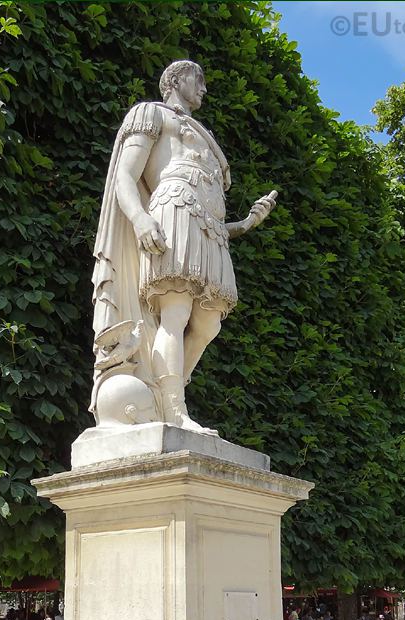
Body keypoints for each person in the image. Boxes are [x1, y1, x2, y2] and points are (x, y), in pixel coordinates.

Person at [91, 59, 277, 434]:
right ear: (175, 79)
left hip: (209, 227)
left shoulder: (201, 132)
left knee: (208, 323)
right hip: (172, 207)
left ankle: (165, 396)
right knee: (174, 311)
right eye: (199, 79)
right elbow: (125, 176)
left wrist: (244, 224)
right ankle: (174, 411)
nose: (204, 89)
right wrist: (141, 219)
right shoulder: (150, 114)